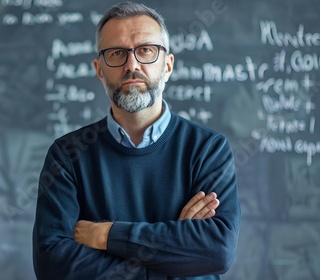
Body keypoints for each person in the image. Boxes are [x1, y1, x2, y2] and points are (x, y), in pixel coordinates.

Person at [32, 1, 241, 279]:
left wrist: (106, 234)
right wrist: (176, 254)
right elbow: (52, 264)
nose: (132, 65)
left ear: (167, 66)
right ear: (99, 69)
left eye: (145, 50)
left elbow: (216, 251)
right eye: (117, 53)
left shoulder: (208, 149)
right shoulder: (68, 155)